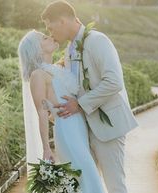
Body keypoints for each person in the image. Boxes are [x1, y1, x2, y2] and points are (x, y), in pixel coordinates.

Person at [41, 1, 138, 193]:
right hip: (84, 130)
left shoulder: (97, 40)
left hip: (107, 126)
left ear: (62, 21)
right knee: (89, 186)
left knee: (115, 186)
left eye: (50, 28)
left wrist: (79, 104)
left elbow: (114, 82)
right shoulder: (69, 51)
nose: (51, 33)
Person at [18, 30, 105, 193]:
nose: (51, 36)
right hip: (67, 132)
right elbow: (42, 113)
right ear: (36, 48)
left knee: (86, 178)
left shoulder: (57, 69)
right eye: (45, 37)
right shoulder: (38, 75)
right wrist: (46, 148)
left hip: (79, 129)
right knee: (87, 176)